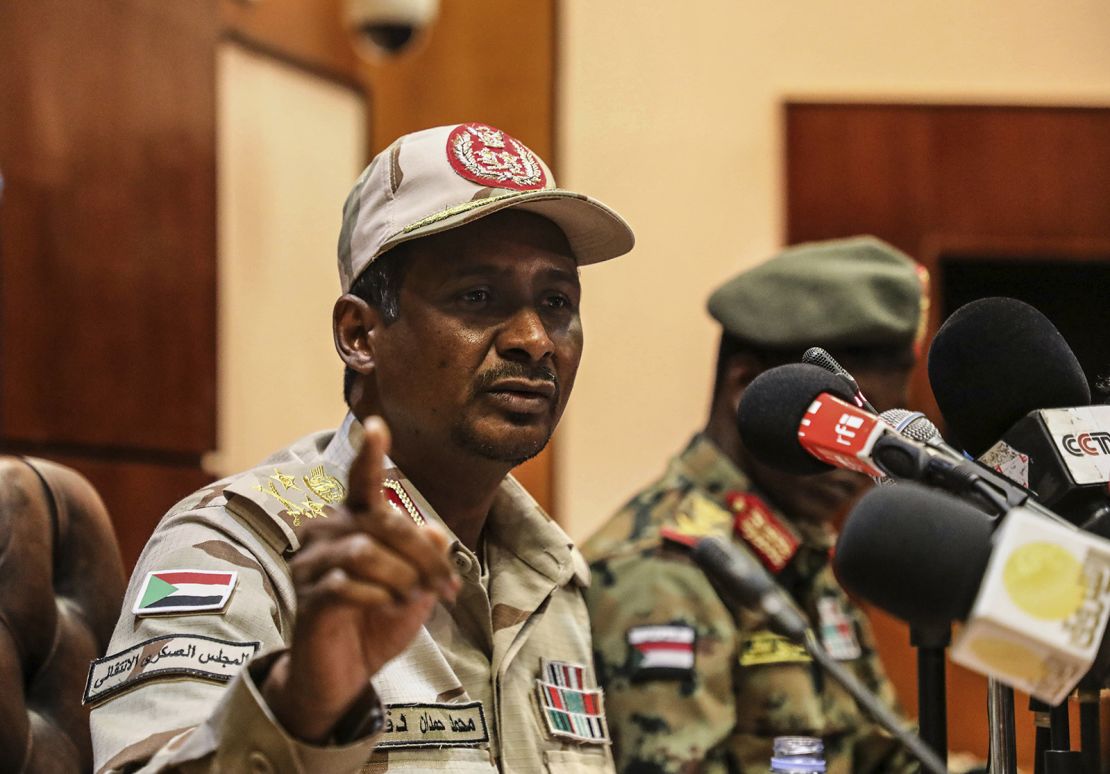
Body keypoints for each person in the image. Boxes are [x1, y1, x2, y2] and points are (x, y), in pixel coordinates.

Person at [89, 122, 634, 773]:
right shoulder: (240, 544)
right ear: (360, 335)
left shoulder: (552, 575)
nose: (535, 339)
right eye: (478, 297)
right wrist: (302, 703)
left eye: (556, 302)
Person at [583, 237, 928, 773]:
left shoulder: (801, 547)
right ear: (748, 388)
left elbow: (880, 754)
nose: (862, 458)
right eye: (840, 426)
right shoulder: (662, 568)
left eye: (877, 428)